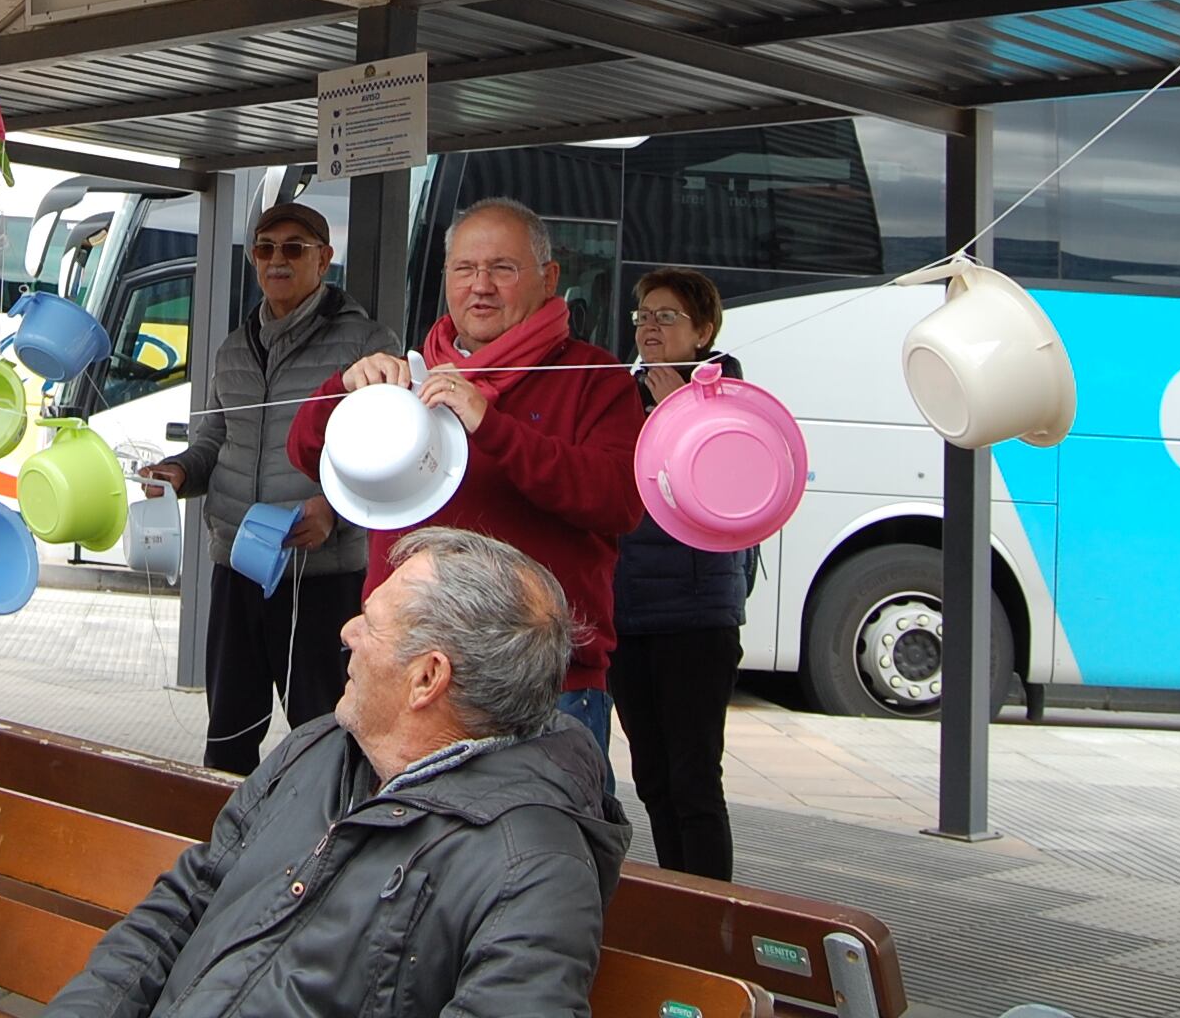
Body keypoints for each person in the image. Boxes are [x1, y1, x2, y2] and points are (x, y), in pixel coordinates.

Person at [44, 529, 626, 1018]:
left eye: (370, 624)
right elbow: (182, 906)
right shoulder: (322, 747)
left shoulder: (532, 866)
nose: (347, 632)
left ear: (428, 678)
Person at [287, 197, 644, 754]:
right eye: (464, 269)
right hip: (404, 676)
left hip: (543, 687)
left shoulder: (596, 379)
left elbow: (619, 499)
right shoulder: (408, 374)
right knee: (390, 839)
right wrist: (344, 392)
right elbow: (308, 453)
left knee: (537, 838)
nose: (481, 285)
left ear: (549, 278)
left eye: (503, 268)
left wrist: (492, 427)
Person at [139, 201, 383, 773]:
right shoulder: (233, 346)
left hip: (320, 575)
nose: (278, 259)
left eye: (294, 248)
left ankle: (329, 851)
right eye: (266, 248)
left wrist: (333, 512)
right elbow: (214, 439)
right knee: (229, 731)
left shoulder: (365, 344)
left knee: (327, 732)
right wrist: (179, 472)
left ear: (325, 259)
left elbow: (383, 460)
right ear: (253, 259)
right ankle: (225, 854)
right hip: (240, 568)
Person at [609, 269, 749, 880]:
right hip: (628, 609)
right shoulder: (618, 392)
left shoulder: (729, 399)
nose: (649, 327)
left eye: (666, 317)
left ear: (704, 331)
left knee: (695, 779)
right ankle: (677, 897)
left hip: (695, 615)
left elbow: (735, 490)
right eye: (642, 315)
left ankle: (710, 917)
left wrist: (678, 411)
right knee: (651, 777)